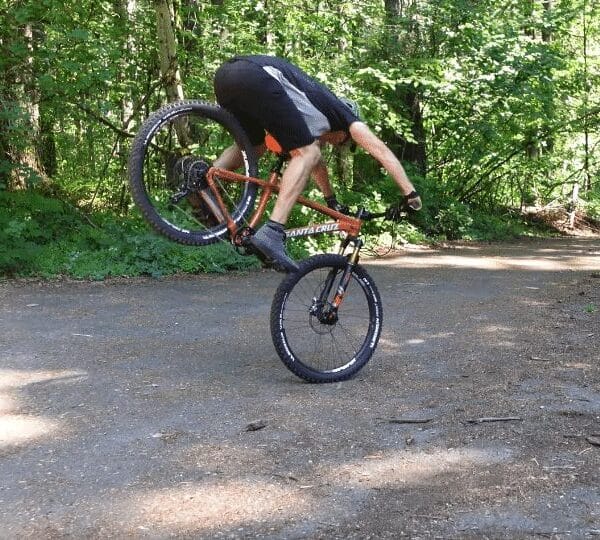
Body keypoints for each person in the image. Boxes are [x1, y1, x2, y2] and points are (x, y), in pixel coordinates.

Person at [213, 54, 422, 272]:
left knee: (255, 148)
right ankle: (273, 232)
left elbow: (317, 164)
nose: (337, 144)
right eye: (344, 142)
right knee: (308, 153)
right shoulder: (345, 117)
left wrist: (331, 199)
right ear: (344, 132)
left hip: (226, 79)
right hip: (255, 76)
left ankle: (203, 180)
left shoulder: (310, 116)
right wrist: (410, 194)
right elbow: (381, 151)